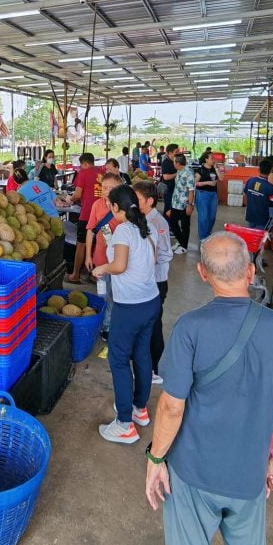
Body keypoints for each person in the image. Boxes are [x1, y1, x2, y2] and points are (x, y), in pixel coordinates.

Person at [147, 232, 273, 545]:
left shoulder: (190, 328)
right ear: (251, 271)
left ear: (202, 273)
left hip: (194, 471)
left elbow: (171, 405)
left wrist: (155, 458)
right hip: (250, 473)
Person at [92, 185, 161, 444]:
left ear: (116, 207)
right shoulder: (147, 227)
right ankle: (139, 409)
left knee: (119, 360)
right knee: (141, 354)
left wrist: (103, 268)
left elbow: (119, 266)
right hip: (150, 301)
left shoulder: (122, 231)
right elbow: (151, 261)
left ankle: (124, 424)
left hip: (129, 306)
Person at [134, 181, 172, 383]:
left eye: (137, 199)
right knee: (147, 324)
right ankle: (148, 365)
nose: (133, 202)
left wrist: (149, 259)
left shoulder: (158, 223)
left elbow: (166, 254)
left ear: (149, 201)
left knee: (153, 325)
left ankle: (157, 370)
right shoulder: (142, 219)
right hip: (146, 281)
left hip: (157, 282)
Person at [87, 173, 125, 337]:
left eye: (112, 188)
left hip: (120, 261)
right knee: (103, 295)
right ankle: (105, 326)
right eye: (105, 188)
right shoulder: (97, 205)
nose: (108, 191)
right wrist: (88, 255)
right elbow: (91, 230)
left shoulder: (124, 206)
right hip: (101, 259)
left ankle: (112, 325)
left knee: (117, 295)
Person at [68, 152, 102, 283]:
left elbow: (77, 194)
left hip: (87, 214)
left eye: (81, 165)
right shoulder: (102, 173)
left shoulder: (83, 172)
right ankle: (95, 275)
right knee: (99, 245)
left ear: (85, 163)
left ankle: (75, 275)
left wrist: (70, 198)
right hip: (102, 216)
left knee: (81, 245)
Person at [167, 154, 195, 254]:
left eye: (174, 162)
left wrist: (190, 205)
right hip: (176, 203)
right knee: (173, 223)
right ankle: (180, 241)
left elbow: (191, 190)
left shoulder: (189, 173)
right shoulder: (179, 171)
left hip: (184, 204)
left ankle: (184, 246)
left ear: (178, 163)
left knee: (184, 226)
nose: (173, 163)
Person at [242, 158, 273, 231]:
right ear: (271, 170)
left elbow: (245, 196)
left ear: (258, 169)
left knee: (251, 234)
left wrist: (249, 206)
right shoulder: (270, 187)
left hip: (250, 214)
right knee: (259, 238)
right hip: (262, 218)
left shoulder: (250, 180)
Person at [194, 152, 221, 242]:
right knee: (203, 217)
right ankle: (203, 237)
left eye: (214, 158)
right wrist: (207, 183)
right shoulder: (200, 170)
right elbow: (194, 183)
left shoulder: (214, 169)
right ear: (206, 159)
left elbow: (221, 178)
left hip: (213, 195)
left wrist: (217, 169)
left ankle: (208, 232)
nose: (214, 160)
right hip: (202, 194)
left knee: (212, 217)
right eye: (211, 158)